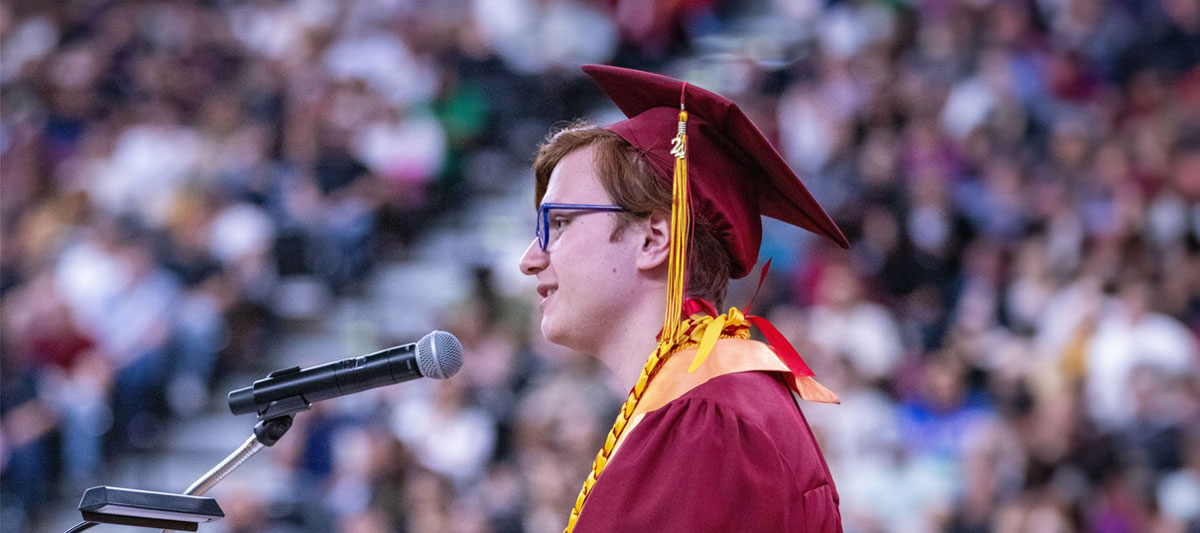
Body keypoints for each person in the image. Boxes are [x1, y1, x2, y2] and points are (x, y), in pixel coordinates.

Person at [519, 65, 847, 532]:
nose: (530, 259)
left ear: (654, 239)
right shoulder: (696, 399)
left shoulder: (710, 419)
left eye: (561, 223)